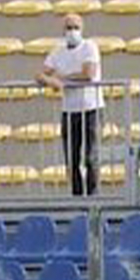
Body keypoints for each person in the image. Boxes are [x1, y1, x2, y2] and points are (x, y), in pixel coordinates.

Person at [35, 13, 101, 197]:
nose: (72, 31)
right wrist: (50, 81)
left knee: (90, 156)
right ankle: (77, 196)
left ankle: (93, 196)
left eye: (75, 27)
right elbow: (40, 74)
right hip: (69, 110)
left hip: (90, 107)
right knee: (72, 158)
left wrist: (61, 79)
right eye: (69, 27)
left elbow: (88, 74)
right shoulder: (58, 51)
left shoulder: (89, 46)